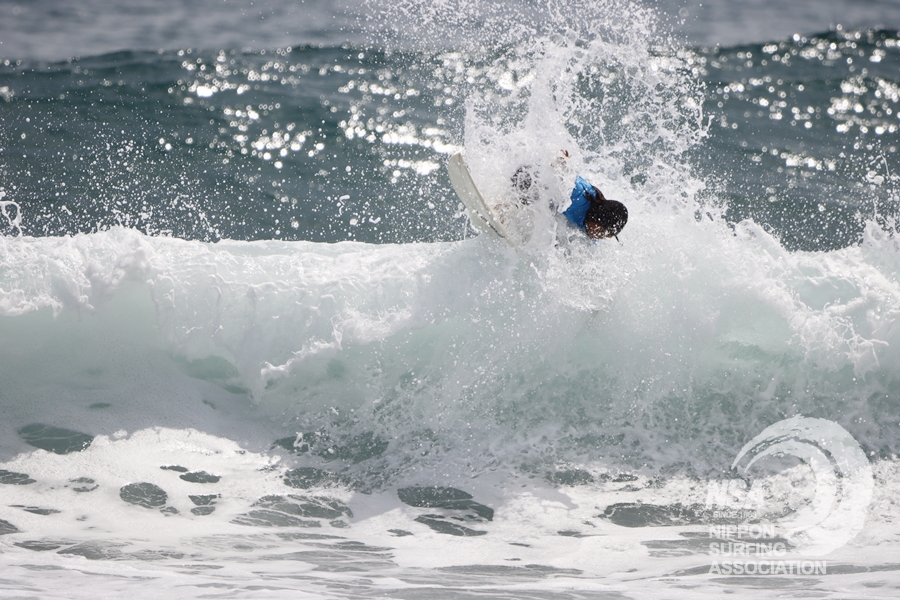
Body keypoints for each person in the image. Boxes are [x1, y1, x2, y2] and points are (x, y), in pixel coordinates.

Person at [511, 157, 628, 241]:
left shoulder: (590, 231)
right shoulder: (578, 195)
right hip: (528, 176)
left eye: (605, 236)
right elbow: (554, 174)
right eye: (601, 232)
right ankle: (506, 207)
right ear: (598, 218)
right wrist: (561, 164)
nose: (599, 237)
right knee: (538, 200)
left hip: (549, 202)